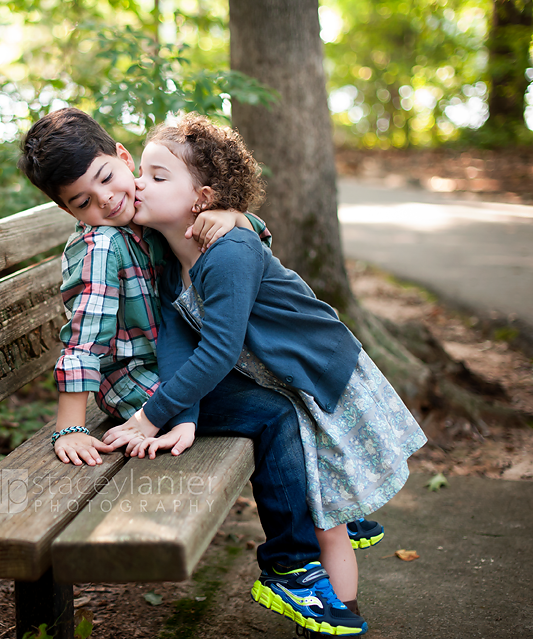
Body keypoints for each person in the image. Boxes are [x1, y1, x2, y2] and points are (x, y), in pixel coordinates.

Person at [18, 107, 370, 637]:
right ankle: (290, 565)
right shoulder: (102, 244)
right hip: (143, 387)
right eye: (81, 202)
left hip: (175, 369)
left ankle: (323, 498)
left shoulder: (143, 214)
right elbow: (82, 338)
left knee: (281, 397)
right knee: (274, 414)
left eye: (106, 180)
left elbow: (235, 237)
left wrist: (233, 217)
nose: (105, 201)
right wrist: (70, 422)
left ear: (123, 159)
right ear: (67, 209)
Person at [115, 112, 426, 636]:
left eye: (157, 175)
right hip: (283, 382)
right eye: (141, 172)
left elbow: (216, 352)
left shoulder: (228, 252)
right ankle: (329, 569)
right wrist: (183, 415)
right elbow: (176, 341)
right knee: (321, 503)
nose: (139, 184)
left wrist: (152, 416)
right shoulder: (169, 258)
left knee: (324, 516)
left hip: (319, 379)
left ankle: (334, 611)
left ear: (202, 198)